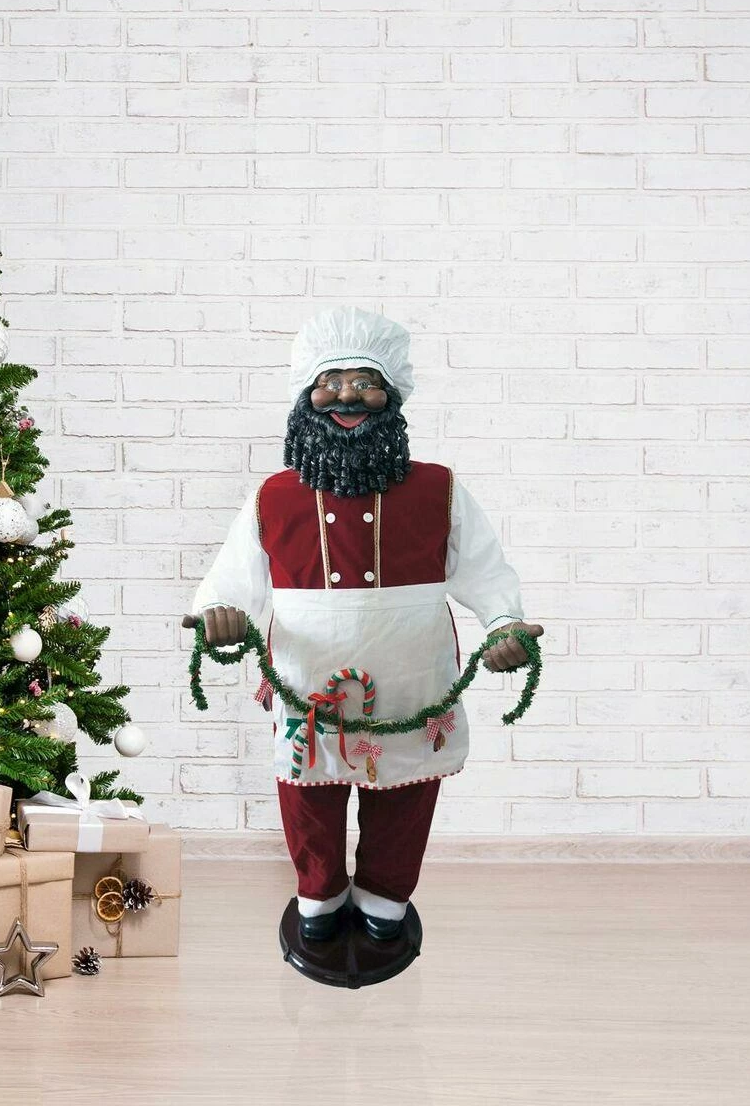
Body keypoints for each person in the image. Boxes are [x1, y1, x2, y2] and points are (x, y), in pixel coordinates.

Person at [187, 306, 543, 941]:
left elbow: (488, 575)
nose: (346, 396)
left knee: (405, 799)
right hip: (308, 687)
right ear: (305, 397)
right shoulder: (273, 497)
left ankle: (385, 899)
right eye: (330, 381)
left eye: (364, 382)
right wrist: (221, 615)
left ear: (394, 397)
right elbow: (229, 585)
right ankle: (318, 899)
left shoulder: (441, 490)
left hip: (415, 685)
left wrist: (504, 628)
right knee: (309, 797)